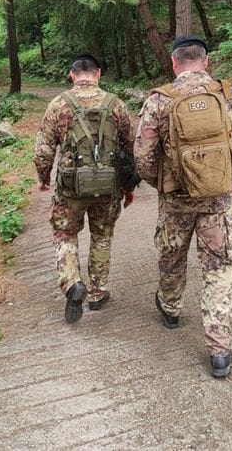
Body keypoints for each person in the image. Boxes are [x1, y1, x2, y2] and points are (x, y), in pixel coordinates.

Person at [134, 35, 232, 378]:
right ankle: (219, 349)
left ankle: (171, 309)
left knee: (171, 256)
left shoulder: (160, 100)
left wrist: (159, 183)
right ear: (206, 62)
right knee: (218, 267)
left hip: (175, 200)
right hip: (217, 199)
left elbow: (142, 156)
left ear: (174, 63)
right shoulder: (228, 95)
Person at [34, 54, 140, 323]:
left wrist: (44, 177)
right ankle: (97, 292)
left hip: (70, 187)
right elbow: (131, 149)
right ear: (99, 73)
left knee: (64, 234)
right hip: (108, 185)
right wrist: (128, 186)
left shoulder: (58, 105)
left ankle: (71, 283)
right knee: (102, 235)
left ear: (72, 74)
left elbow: (43, 150)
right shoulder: (116, 104)